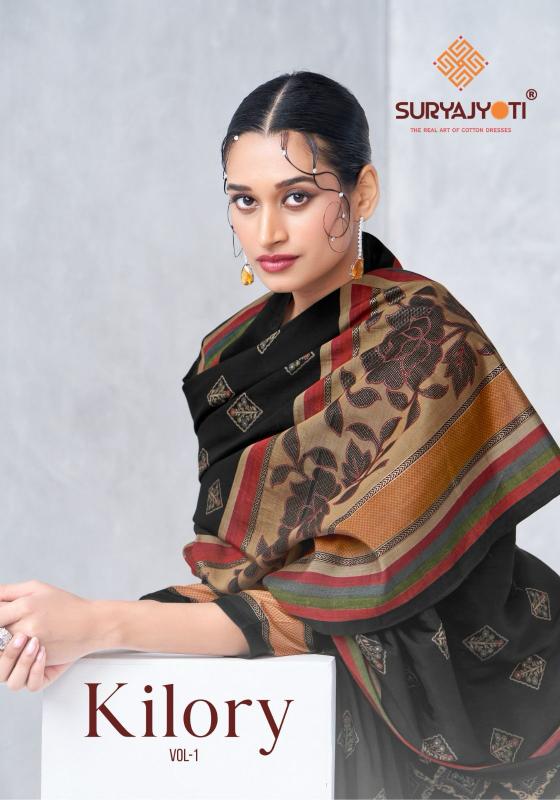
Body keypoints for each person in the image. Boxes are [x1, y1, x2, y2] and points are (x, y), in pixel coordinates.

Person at [1, 70, 560, 799]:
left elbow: (342, 603)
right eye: (244, 200)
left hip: (476, 684)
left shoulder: (421, 334)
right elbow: (259, 587)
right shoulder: (226, 359)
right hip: (303, 693)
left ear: (361, 192)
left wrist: (103, 624)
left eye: (296, 197)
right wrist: (74, 635)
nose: (266, 232)